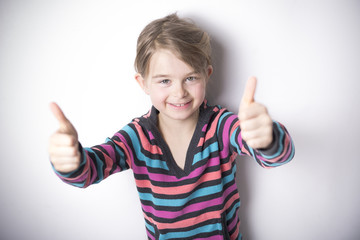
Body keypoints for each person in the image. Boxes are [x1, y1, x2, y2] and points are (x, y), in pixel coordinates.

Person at [49, 13, 295, 240]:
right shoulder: (136, 137)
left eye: (190, 78)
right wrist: (71, 161)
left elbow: (275, 156)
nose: (179, 92)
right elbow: (90, 170)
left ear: (207, 74)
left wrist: (267, 139)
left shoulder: (221, 126)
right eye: (165, 81)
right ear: (143, 83)